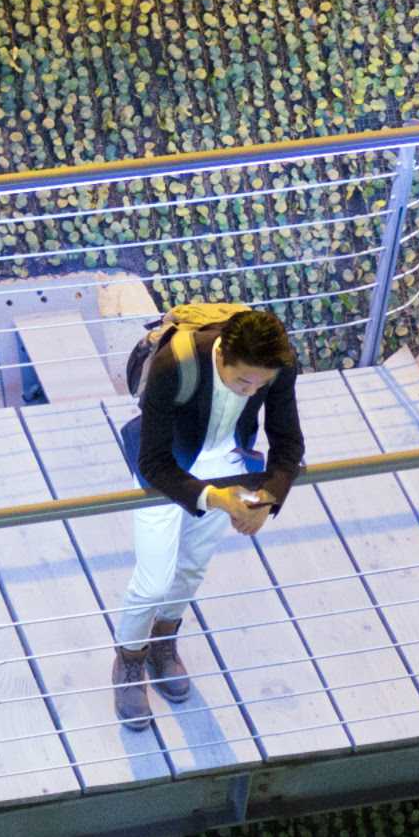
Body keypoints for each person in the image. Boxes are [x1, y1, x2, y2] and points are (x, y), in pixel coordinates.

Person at [110, 302, 303, 731]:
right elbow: (155, 464)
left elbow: (288, 444)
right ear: (220, 357)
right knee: (153, 578)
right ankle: (129, 659)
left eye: (261, 384)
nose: (252, 391)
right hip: (165, 472)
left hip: (228, 468)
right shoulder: (174, 365)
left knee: (192, 568)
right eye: (242, 381)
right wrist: (216, 499)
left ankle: (163, 642)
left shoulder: (278, 367)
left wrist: (268, 496)